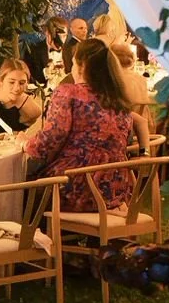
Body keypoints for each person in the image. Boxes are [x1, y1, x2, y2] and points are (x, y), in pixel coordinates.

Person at [24, 36, 148, 210]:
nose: (72, 69)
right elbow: (125, 141)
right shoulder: (118, 98)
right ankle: (76, 236)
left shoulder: (69, 93)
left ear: (83, 66)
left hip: (77, 188)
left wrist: (25, 145)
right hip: (116, 190)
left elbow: (52, 138)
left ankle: (37, 236)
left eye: (74, 64)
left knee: (21, 183)